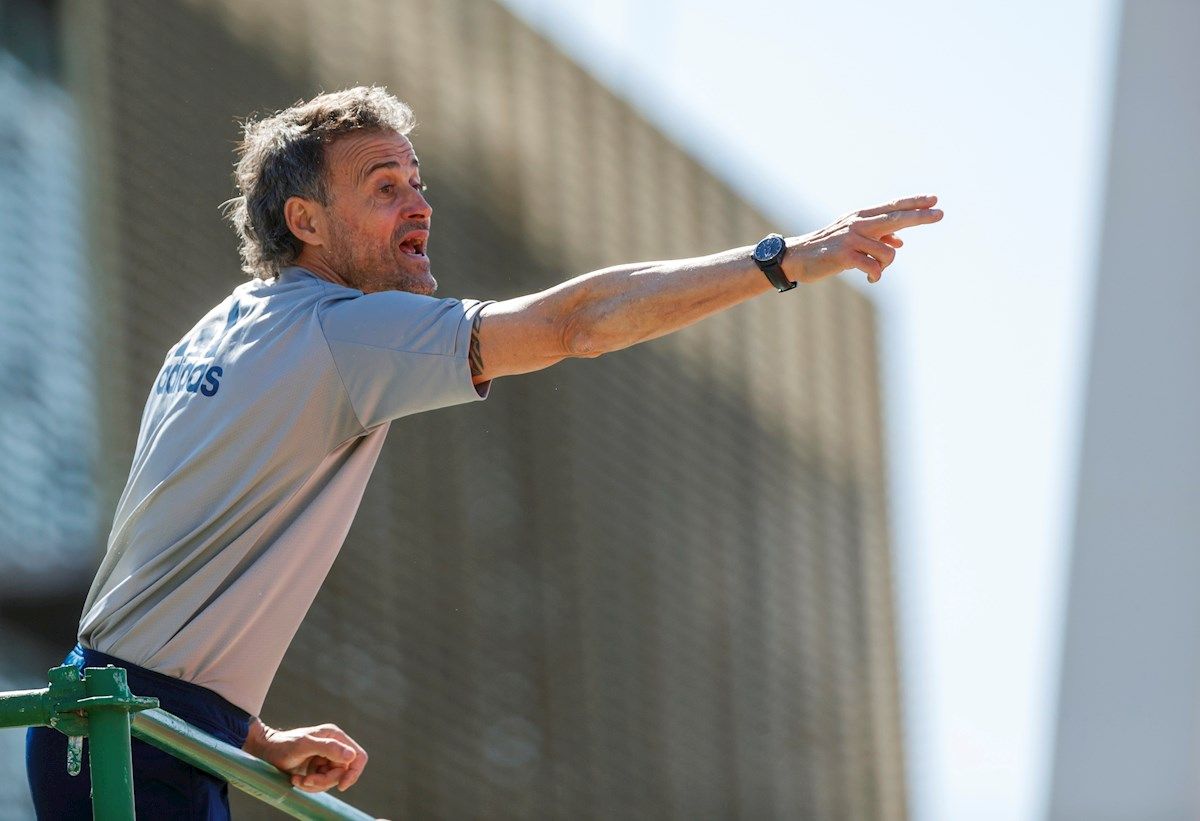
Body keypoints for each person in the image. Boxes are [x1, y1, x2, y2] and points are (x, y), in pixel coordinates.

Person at [26, 85, 942, 818]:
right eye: (383, 186)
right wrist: (784, 258)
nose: (418, 204)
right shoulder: (342, 332)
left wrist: (250, 735)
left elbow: (164, 580)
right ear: (306, 223)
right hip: (133, 729)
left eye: (416, 181)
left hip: (121, 714)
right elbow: (572, 325)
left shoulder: (221, 329)